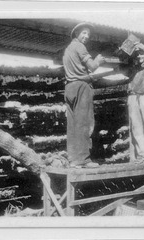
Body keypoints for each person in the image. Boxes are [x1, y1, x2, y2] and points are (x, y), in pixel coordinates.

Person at [63, 22, 105, 168]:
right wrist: (98, 60)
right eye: (84, 33)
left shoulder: (68, 49)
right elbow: (92, 67)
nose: (86, 36)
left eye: (88, 34)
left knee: (72, 125)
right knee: (84, 123)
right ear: (76, 34)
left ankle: (73, 159)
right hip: (81, 86)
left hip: (69, 87)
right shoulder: (80, 47)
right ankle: (84, 159)